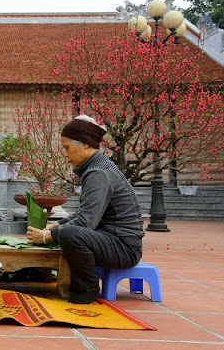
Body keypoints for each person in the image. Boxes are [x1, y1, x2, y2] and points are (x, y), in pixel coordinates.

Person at [26, 115, 144, 304]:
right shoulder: (97, 167)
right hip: (112, 241)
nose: (65, 154)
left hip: (124, 248)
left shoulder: (98, 173)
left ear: (86, 144)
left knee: (70, 234)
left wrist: (47, 236)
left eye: (67, 148)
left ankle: (87, 288)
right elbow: (84, 214)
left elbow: (86, 223)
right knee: (66, 231)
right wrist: (55, 225)